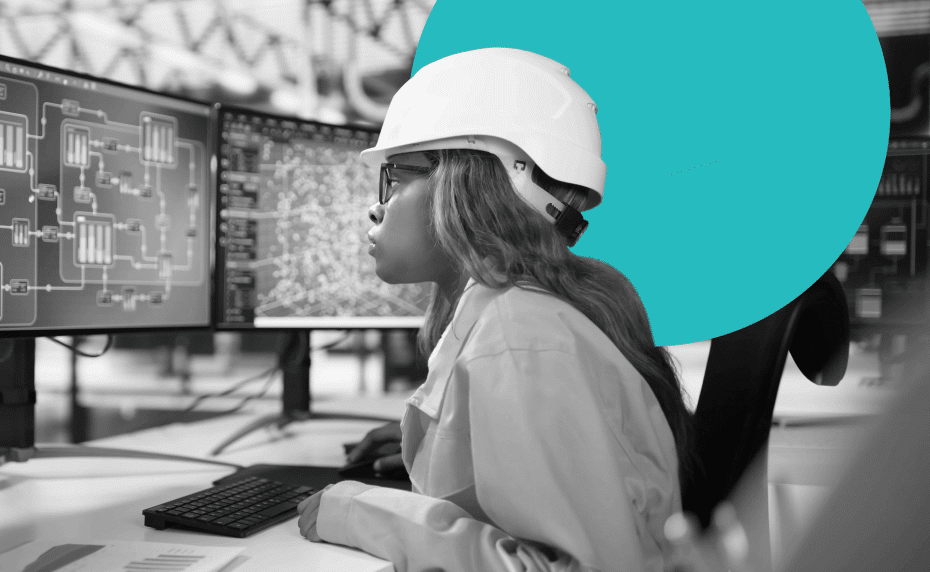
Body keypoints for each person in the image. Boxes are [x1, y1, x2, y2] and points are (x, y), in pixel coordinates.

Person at [296, 47, 696, 572]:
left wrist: (359, 511)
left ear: (466, 185)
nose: (378, 205)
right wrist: (452, 453)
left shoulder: (521, 338)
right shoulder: (527, 314)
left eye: (394, 176)